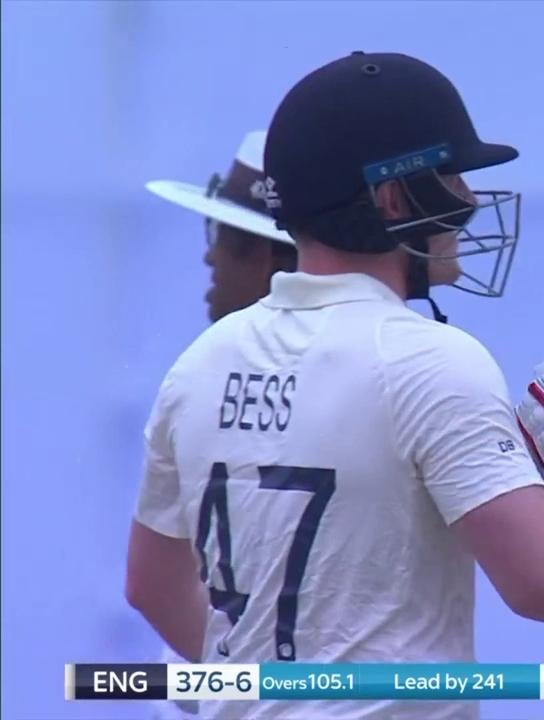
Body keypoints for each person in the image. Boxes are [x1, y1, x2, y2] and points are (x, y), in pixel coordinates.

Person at [124, 51, 544, 720]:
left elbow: (151, 584)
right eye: (448, 178)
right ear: (390, 197)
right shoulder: (428, 360)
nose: (468, 203)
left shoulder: (200, 364)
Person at [143, 129, 298, 718]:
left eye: (233, 239)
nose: (210, 255)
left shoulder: (201, 382)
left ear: (283, 264)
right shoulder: (201, 381)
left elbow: (149, 586)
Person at [146, 130, 298, 322]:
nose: (209, 257)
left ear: (277, 267)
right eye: (213, 228)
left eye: (224, 235)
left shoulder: (215, 351)